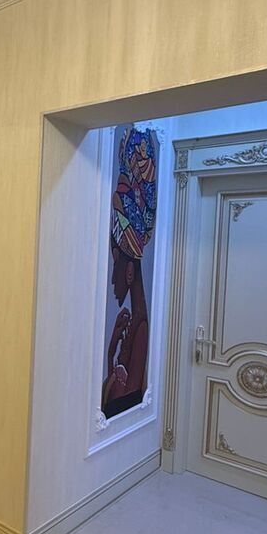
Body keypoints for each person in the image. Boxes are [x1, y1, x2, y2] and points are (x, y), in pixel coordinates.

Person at [101, 129, 158, 420]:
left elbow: (119, 399)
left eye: (115, 267)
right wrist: (112, 348)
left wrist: (112, 351)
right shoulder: (135, 321)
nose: (112, 280)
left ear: (128, 273)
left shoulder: (141, 327)